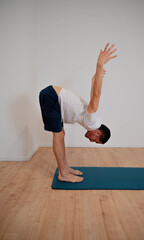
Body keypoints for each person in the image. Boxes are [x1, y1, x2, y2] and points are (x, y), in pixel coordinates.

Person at [39, 42, 117, 183]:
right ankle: (63, 173)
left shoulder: (93, 120)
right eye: (95, 140)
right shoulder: (92, 122)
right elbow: (97, 95)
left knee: (61, 133)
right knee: (58, 134)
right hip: (51, 97)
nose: (90, 140)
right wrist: (99, 66)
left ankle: (65, 168)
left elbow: (93, 90)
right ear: (98, 132)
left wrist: (96, 76)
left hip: (54, 98)